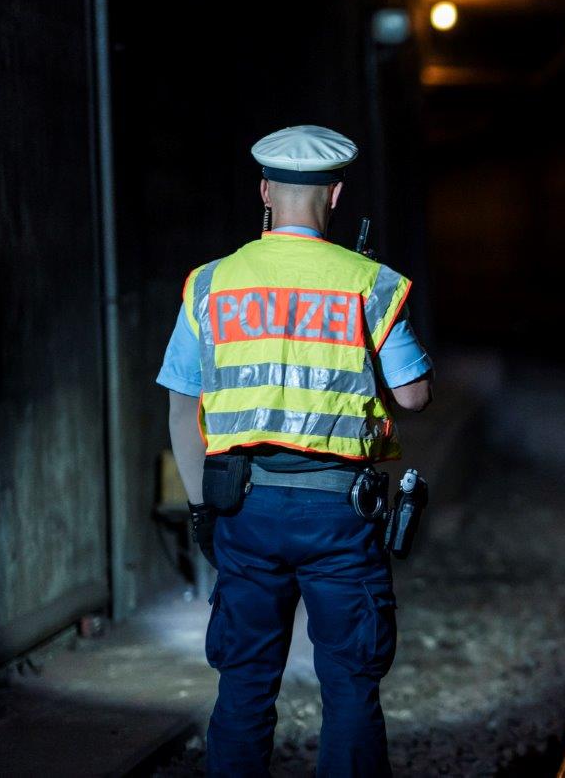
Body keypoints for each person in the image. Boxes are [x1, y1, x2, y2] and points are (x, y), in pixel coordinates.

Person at [157, 125, 434, 776]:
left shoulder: (210, 283)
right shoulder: (369, 282)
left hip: (243, 508)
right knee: (349, 684)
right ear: (335, 195)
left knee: (246, 682)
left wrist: (201, 509)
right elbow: (415, 395)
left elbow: (179, 406)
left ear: (265, 191)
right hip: (341, 514)